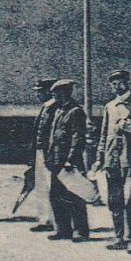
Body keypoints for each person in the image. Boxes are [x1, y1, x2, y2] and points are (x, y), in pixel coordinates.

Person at [90, 68, 131, 253]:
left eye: (120, 82)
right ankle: (119, 237)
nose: (117, 86)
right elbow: (104, 135)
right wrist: (99, 157)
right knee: (114, 199)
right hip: (112, 159)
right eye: (114, 84)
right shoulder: (110, 106)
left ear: (127, 83)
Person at [44, 79, 90, 242]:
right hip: (56, 161)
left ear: (65, 93)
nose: (54, 96)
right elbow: (53, 137)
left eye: (56, 93)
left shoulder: (76, 111)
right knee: (56, 196)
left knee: (75, 196)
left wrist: (71, 160)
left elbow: (78, 138)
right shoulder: (58, 111)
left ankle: (80, 231)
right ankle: (63, 229)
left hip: (70, 162)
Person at [28, 78, 56, 232]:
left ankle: (51, 220)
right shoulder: (45, 108)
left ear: (48, 91)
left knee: (49, 186)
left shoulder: (54, 108)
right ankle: (44, 219)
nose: (37, 95)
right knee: (41, 187)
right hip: (40, 152)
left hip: (48, 154)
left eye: (39, 91)